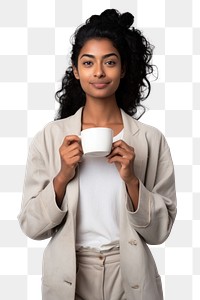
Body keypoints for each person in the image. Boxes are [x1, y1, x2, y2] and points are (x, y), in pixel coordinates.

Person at [18, 9, 177, 300]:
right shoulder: (50, 138)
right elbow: (31, 225)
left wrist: (131, 181)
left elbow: (160, 231)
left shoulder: (150, 140)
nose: (99, 72)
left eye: (110, 62)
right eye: (88, 62)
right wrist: (62, 176)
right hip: (70, 272)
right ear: (76, 70)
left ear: (124, 69)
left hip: (130, 272)